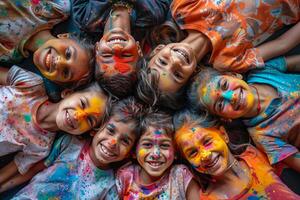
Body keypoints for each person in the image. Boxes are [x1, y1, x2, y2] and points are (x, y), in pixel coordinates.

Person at [137, 0, 300, 109]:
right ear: (192, 75)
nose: (176, 62)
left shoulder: (183, 9)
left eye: (163, 62)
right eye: (178, 75)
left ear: (157, 50)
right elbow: (283, 43)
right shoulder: (229, 62)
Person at [5, 97, 144, 199]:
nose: (113, 142)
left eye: (125, 141)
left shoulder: (110, 186)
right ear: (95, 130)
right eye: (110, 130)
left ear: (131, 153)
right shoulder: (69, 144)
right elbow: (34, 170)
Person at [0, 65, 109, 187]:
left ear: (89, 131)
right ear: (68, 93)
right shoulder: (31, 85)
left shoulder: (41, 147)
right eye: (82, 103)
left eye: (89, 120)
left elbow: (10, 170)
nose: (78, 116)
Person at [174, 110, 299, 199]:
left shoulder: (256, 155)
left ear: (224, 135)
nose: (205, 155)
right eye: (192, 153)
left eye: (207, 142)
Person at [72, 0, 170, 97]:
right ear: (138, 49)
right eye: (126, 55)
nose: (117, 48)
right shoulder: (153, 13)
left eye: (106, 55)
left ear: (97, 49)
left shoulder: (84, 15)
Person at [116, 111, 200, 199]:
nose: (156, 154)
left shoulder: (181, 176)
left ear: (175, 152)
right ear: (134, 151)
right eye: (147, 145)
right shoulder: (126, 176)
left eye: (164, 145)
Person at [0, 0, 70, 64]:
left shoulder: (9, 56)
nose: (60, 62)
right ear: (66, 37)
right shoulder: (57, 10)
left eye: (65, 72)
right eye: (68, 54)